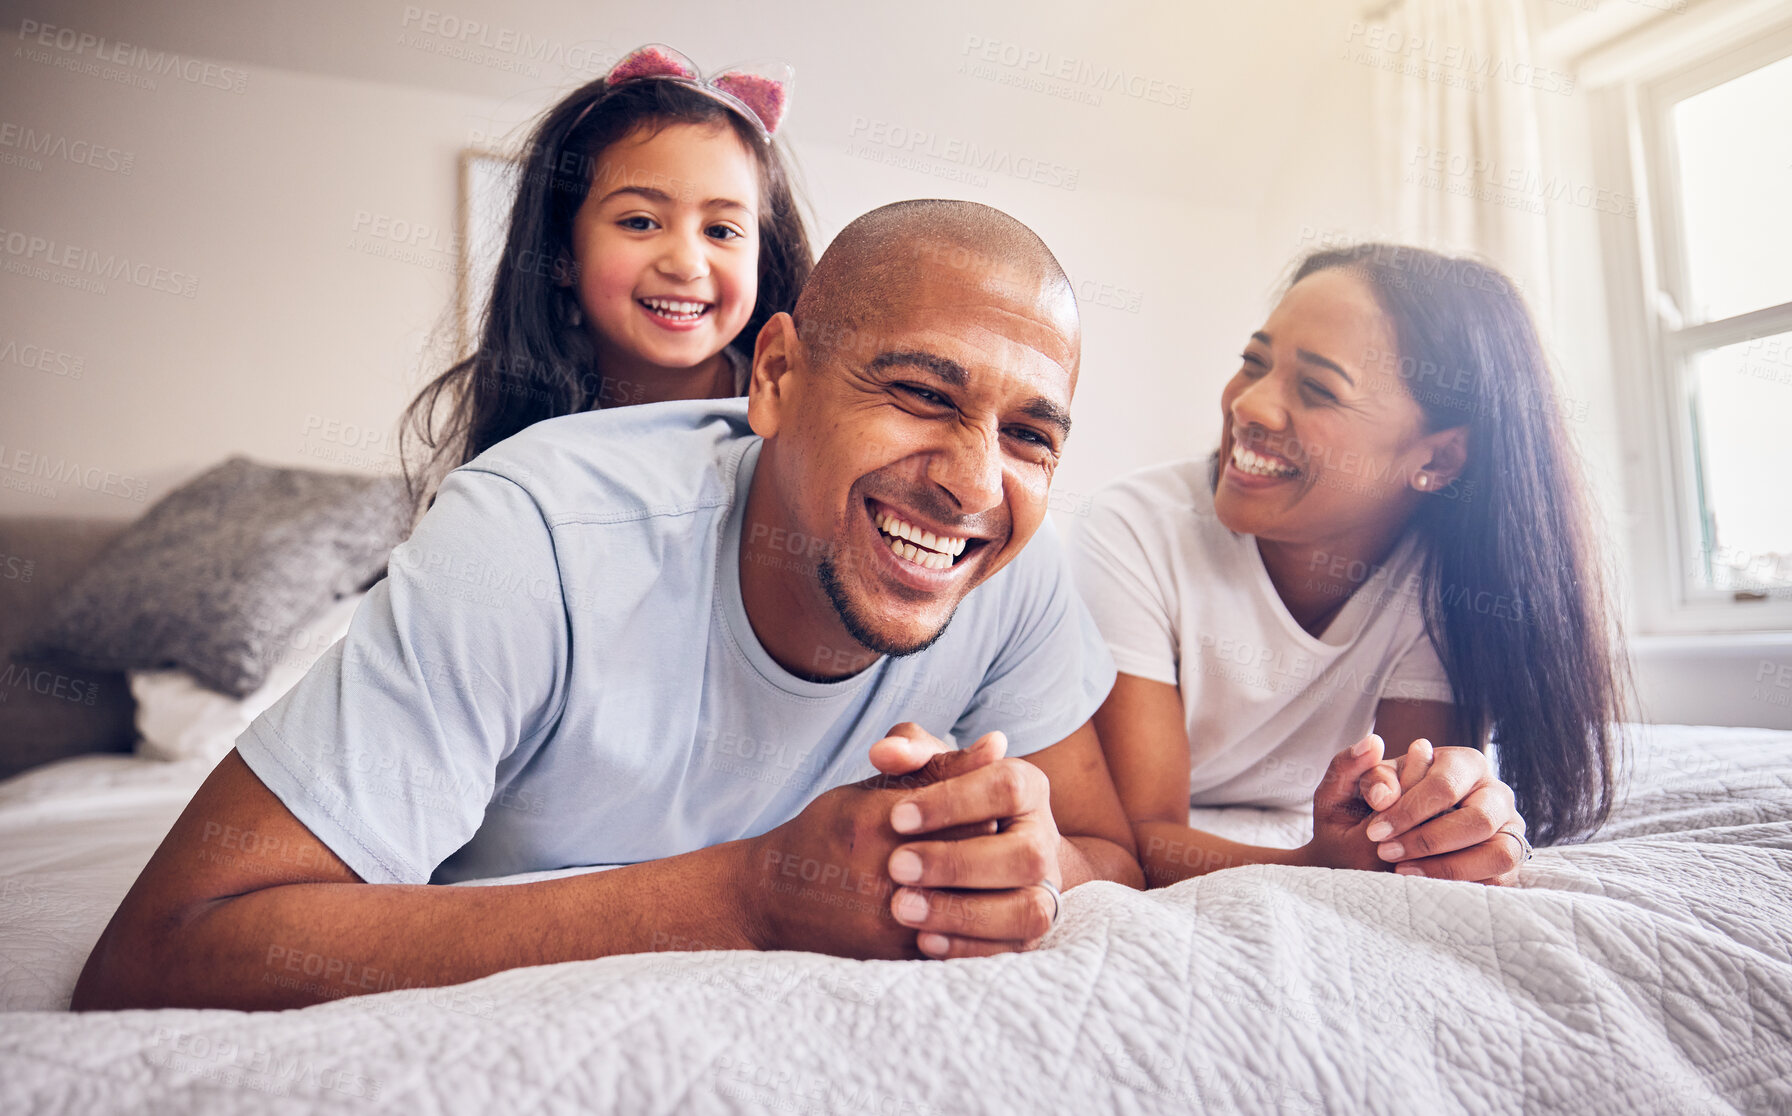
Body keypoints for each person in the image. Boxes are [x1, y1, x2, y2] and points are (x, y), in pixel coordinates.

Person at [72, 200, 1145, 1012]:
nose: (972, 483)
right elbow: (158, 951)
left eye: (1030, 436)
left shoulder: (1011, 565)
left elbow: (1106, 847)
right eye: (920, 392)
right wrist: (751, 899)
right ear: (773, 376)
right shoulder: (530, 535)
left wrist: (1008, 858)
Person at [1073, 244, 1627, 889]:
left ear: (1440, 460)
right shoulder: (1134, 528)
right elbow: (1132, 836)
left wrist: (1454, 821)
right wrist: (1308, 865)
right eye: (1253, 363)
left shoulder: (1448, 582)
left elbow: (1395, 822)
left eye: (1316, 389)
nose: (1248, 406)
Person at [401, 43, 814, 503]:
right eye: (640, 222)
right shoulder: (522, 445)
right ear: (561, 255)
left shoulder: (798, 415)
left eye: (721, 230)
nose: (686, 264)